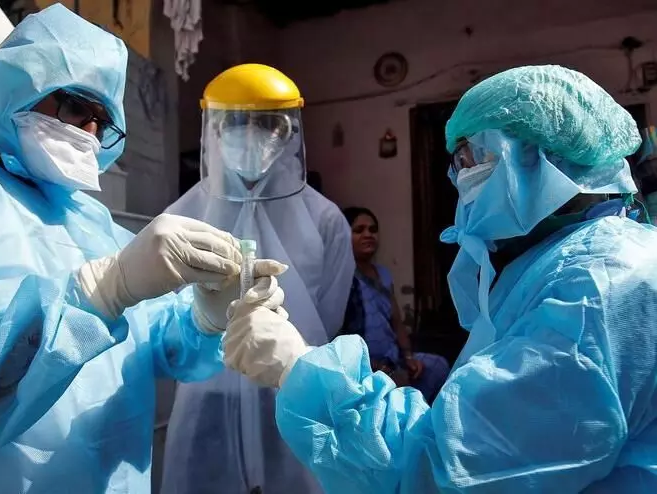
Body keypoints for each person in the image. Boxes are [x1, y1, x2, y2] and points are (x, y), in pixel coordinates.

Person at [0, 5, 285, 493]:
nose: (89, 131)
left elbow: (155, 343)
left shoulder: (92, 222)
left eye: (103, 121)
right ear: (14, 86)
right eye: (75, 107)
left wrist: (206, 318)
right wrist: (95, 296)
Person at [224, 65, 657, 492]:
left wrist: (299, 368)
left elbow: (447, 466)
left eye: (470, 161)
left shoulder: (603, 285)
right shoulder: (560, 262)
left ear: (536, 156)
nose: (459, 181)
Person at [161, 64, 354, 494]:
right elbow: (165, 323)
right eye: (235, 121)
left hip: (294, 389)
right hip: (206, 395)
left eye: (266, 122)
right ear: (213, 128)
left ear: (289, 132)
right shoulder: (180, 216)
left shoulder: (325, 219)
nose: (249, 133)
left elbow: (328, 317)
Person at [340, 206, 449, 401]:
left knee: (438, 366)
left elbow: (396, 322)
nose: (368, 235)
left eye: (373, 230)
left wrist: (408, 357)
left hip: (391, 357)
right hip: (362, 364)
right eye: (359, 230)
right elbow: (340, 331)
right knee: (393, 386)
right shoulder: (342, 278)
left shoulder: (382, 274)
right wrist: (373, 365)